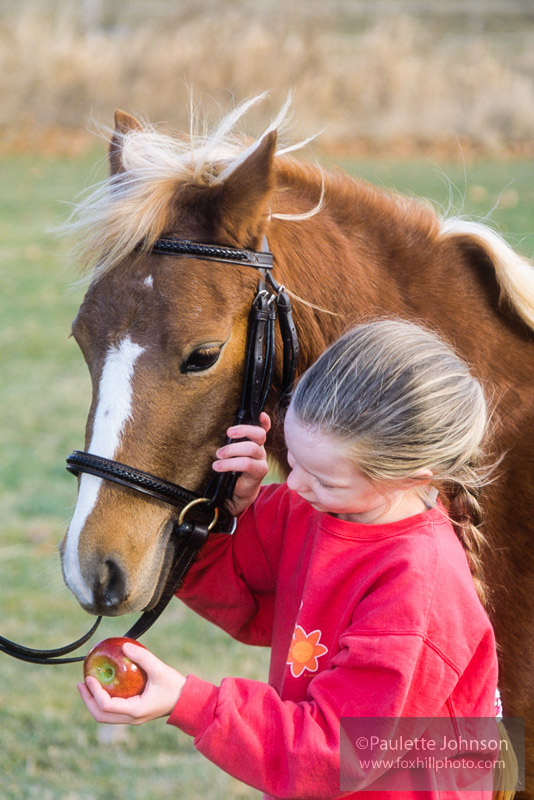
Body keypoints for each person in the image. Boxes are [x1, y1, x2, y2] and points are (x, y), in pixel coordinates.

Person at [78, 319, 508, 799]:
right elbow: (236, 595)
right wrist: (224, 512)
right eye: (295, 460)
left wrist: (189, 702)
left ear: (408, 478)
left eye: (323, 479)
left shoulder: (417, 590)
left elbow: (332, 753)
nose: (297, 485)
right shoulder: (319, 506)